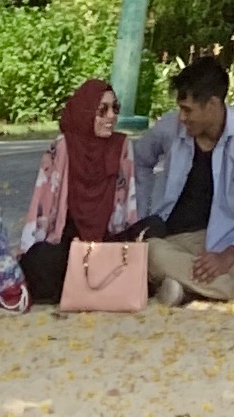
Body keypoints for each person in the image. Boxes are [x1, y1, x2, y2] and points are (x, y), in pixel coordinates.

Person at [127, 52, 234, 303]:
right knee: (150, 252)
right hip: (177, 241)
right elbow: (139, 160)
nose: (182, 118)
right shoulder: (170, 128)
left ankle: (187, 288)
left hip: (229, 238)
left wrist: (228, 255)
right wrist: (141, 214)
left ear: (213, 105)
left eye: (188, 110)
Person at [15, 76, 138, 307]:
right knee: (39, 261)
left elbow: (127, 205)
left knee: (153, 231)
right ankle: (80, 286)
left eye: (115, 108)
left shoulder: (122, 146)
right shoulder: (62, 147)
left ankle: (81, 286)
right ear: (85, 112)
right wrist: (27, 250)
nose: (111, 116)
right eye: (102, 110)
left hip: (108, 239)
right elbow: (42, 206)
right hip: (68, 239)